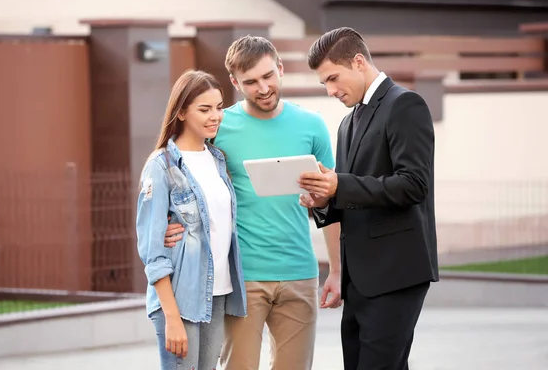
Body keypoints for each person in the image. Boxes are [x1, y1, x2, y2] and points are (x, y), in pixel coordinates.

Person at [164, 36, 342, 369]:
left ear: (280, 68)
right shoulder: (219, 127)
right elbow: (185, 180)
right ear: (235, 82)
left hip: (299, 273)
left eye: (268, 76)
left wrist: (336, 269)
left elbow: (331, 203)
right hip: (240, 277)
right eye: (250, 82)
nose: (262, 88)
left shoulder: (312, 125)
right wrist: (169, 225)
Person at [298, 27, 439, 370]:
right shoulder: (348, 122)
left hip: (396, 272)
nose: (330, 90)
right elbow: (352, 192)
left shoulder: (405, 104)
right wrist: (324, 201)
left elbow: (413, 185)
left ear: (358, 62)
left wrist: (338, 186)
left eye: (333, 78)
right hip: (360, 278)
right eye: (324, 84)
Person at [135, 70, 247, 370]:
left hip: (218, 294)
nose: (215, 116)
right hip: (180, 301)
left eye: (219, 107)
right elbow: (152, 252)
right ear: (182, 112)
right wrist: (171, 317)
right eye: (204, 109)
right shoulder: (162, 165)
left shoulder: (218, 160)